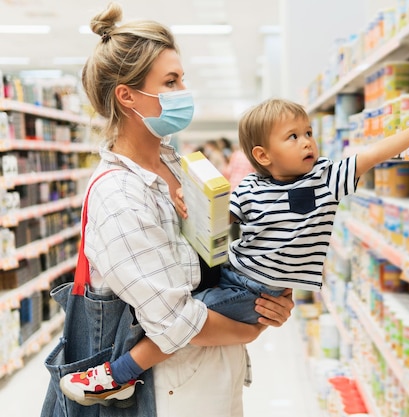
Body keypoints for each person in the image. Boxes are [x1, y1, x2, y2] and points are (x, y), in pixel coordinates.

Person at [61, 94, 409, 406]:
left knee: (179, 325)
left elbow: (371, 156)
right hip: (232, 272)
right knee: (178, 320)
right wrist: (186, 201)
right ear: (262, 155)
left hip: (257, 291)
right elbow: (218, 220)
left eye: (308, 132)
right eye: (292, 137)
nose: (307, 141)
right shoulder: (251, 189)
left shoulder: (326, 179)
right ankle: (121, 372)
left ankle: (118, 375)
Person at [55, 3, 294, 416]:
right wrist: (250, 328)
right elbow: (175, 321)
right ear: (127, 96)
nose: (184, 90)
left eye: (182, 78)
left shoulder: (175, 166)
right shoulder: (120, 195)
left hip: (212, 378)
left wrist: (267, 295)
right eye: (171, 81)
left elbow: (211, 263)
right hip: (168, 396)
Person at [222, 141, 255, 240]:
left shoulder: (235, 154)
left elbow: (228, 171)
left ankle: (235, 241)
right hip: (248, 190)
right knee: (249, 218)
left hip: (234, 189)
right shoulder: (252, 156)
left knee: (234, 217)